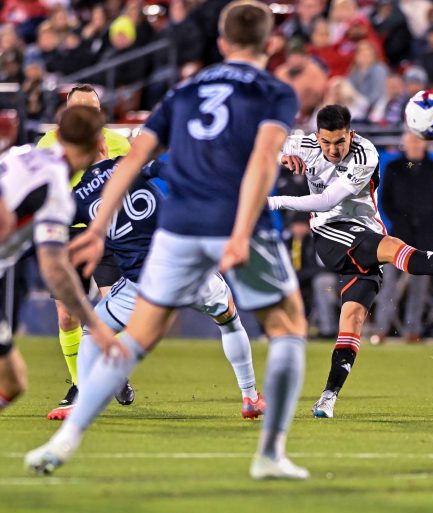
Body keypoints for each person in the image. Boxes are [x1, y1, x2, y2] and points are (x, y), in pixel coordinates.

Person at [26, 0, 309, 481]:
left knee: (134, 339)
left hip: (177, 230)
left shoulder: (184, 89)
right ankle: (270, 452)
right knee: (288, 327)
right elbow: (262, 158)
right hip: (234, 223)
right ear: (270, 44)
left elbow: (133, 160)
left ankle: (64, 441)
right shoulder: (273, 90)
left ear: (220, 44)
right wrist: (242, 232)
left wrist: (95, 230)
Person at [268, 104, 433, 418]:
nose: (332, 149)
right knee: (393, 246)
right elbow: (271, 145)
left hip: (364, 236)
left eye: (339, 142)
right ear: (317, 137)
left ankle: (328, 397)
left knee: (351, 321)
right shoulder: (304, 144)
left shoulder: (366, 153)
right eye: (326, 143)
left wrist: (271, 201)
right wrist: (282, 155)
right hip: (329, 234)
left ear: (351, 134)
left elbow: (327, 199)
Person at [45, 152, 266, 421]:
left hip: (142, 282)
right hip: (185, 264)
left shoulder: (77, 197)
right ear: (100, 145)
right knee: (228, 320)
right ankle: (250, 396)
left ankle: (84, 402)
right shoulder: (126, 164)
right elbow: (165, 168)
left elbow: (48, 226)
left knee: (93, 331)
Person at [0, 106, 120, 414]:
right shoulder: (56, 190)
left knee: (12, 382)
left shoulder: (22, 154)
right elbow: (54, 269)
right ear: (99, 144)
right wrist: (97, 325)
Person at [37, 83, 134, 411]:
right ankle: (80, 384)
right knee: (67, 314)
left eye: (93, 109)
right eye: (81, 109)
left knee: (114, 305)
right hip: (63, 233)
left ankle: (113, 370)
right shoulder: (48, 143)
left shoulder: (118, 143)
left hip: (107, 232)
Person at [372, 132, 433, 344]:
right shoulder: (393, 169)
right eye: (411, 141)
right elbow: (385, 201)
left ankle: (412, 330)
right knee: (389, 284)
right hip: (398, 236)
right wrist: (401, 221)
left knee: (419, 286)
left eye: (418, 141)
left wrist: (428, 223)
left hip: (425, 237)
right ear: (404, 144)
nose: (414, 145)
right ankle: (381, 329)